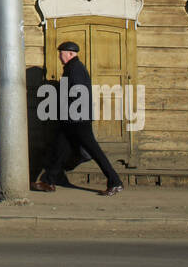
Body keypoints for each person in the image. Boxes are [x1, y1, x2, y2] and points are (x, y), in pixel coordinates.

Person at [33, 41, 123, 196]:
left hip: (77, 119)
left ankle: (115, 182)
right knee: (60, 148)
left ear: (69, 53)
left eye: (61, 53)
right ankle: (49, 181)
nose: (60, 57)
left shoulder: (75, 69)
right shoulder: (72, 68)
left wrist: (66, 107)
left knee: (94, 151)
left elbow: (77, 93)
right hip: (72, 119)